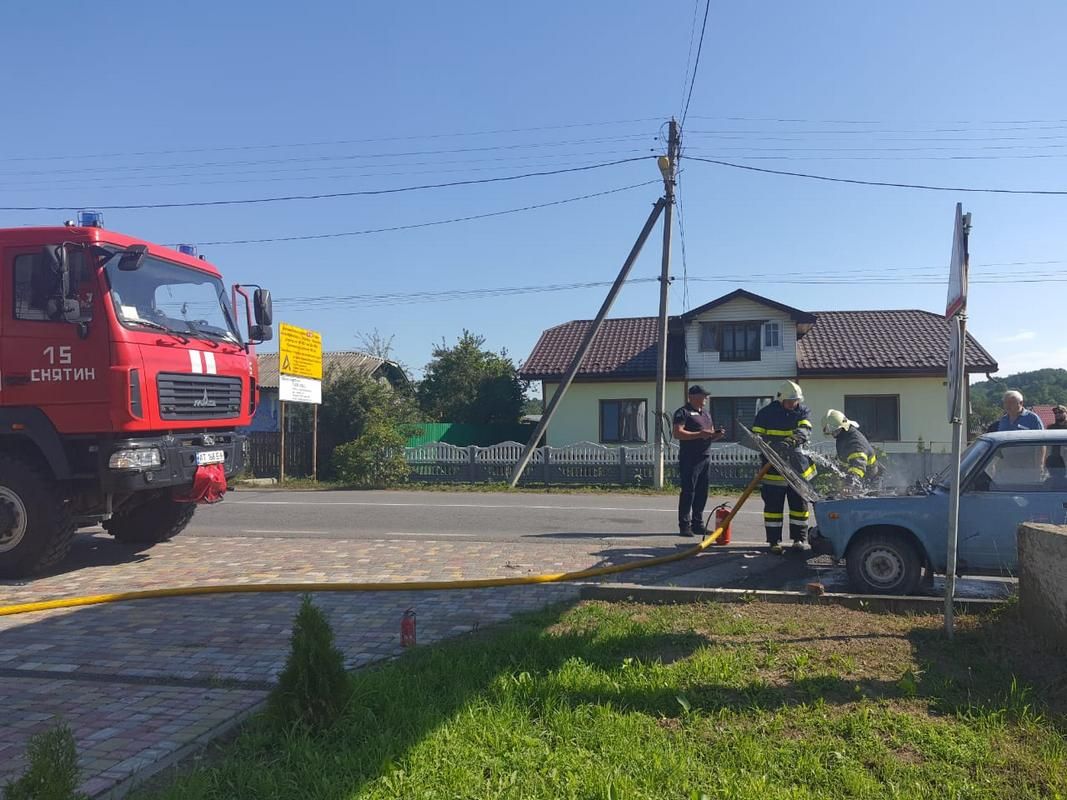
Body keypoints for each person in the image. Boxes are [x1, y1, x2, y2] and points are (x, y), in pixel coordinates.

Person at [752, 380, 816, 553]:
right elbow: (756, 436)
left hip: (797, 468)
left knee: (799, 507)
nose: (793, 404)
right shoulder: (766, 413)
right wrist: (771, 446)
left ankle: (799, 539)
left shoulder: (802, 411)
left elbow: (804, 430)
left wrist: (790, 441)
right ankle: (774, 542)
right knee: (773, 508)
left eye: (796, 401)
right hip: (773, 468)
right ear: (781, 399)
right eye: (790, 401)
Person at [672, 385, 726, 537]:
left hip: (705, 456)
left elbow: (708, 434)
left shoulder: (706, 414)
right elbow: (678, 433)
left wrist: (716, 435)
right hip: (690, 458)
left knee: (702, 492)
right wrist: (699, 434)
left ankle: (698, 524)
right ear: (693, 396)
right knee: (689, 491)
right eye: (704, 396)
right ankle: (684, 525)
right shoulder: (683, 412)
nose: (706, 399)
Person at [1045, 404, 1066, 470]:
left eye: (1060, 412)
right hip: (1056, 458)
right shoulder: (1051, 428)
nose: (1057, 414)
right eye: (1055, 413)